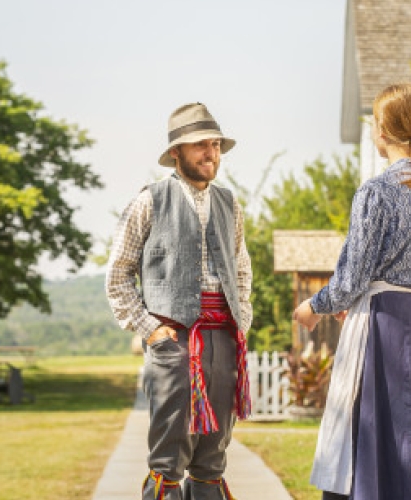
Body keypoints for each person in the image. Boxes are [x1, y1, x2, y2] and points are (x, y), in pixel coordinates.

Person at [293, 83, 411, 500]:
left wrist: (313, 306)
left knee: (387, 437)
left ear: (381, 131)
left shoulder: (377, 192)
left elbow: (350, 277)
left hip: (386, 331)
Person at [106, 102, 253, 500]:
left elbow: (241, 271)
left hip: (222, 336)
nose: (211, 153)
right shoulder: (148, 201)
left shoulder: (229, 204)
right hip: (173, 339)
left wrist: (241, 320)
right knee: (169, 458)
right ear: (176, 152)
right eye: (200, 146)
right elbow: (118, 274)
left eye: (216, 144)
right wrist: (151, 330)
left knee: (212, 459)